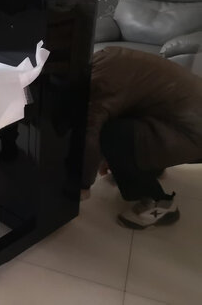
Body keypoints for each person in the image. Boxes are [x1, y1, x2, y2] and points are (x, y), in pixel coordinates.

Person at [82, 47, 202, 229]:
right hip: (185, 120)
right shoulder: (104, 59)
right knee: (119, 130)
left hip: (193, 134)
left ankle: (159, 203)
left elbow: (91, 132)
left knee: (113, 136)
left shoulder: (99, 83)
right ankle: (152, 168)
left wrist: (83, 183)